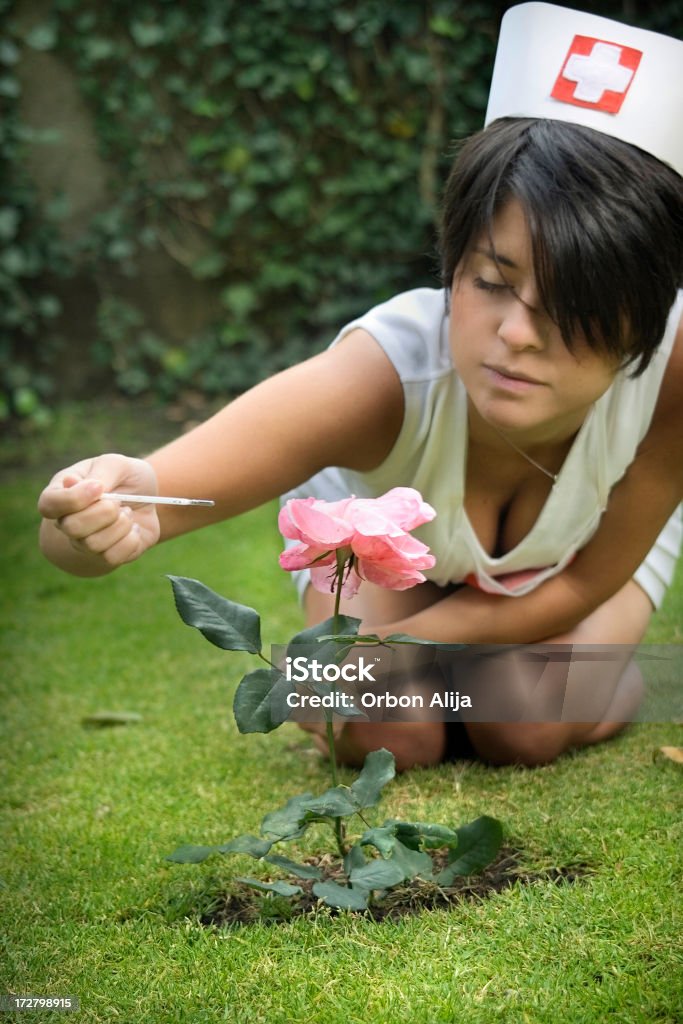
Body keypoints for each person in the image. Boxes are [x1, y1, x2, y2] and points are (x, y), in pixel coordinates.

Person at [38, 4, 683, 771]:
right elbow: (136, 500)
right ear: (453, 261)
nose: (515, 333)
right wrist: (95, 517)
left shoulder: (673, 372)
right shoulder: (383, 375)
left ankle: (622, 678)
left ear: (646, 313)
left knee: (524, 722)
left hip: (575, 563)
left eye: (573, 305)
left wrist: (393, 648)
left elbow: (582, 580)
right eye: (490, 280)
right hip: (382, 563)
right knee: (384, 731)